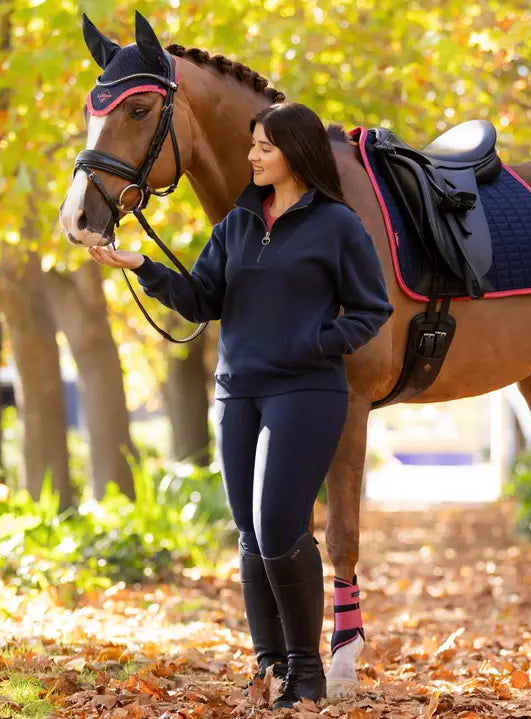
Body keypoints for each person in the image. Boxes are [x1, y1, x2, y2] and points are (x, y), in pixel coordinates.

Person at [87, 101, 393, 708]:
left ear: (295, 154)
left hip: (305, 391)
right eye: (251, 144)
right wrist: (142, 265)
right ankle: (269, 664)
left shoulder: (338, 225)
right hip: (238, 391)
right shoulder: (236, 224)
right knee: (251, 536)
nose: (251, 156)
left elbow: (370, 311)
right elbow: (202, 300)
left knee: (281, 528)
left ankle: (308, 669)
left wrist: (315, 343)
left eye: (264, 147)